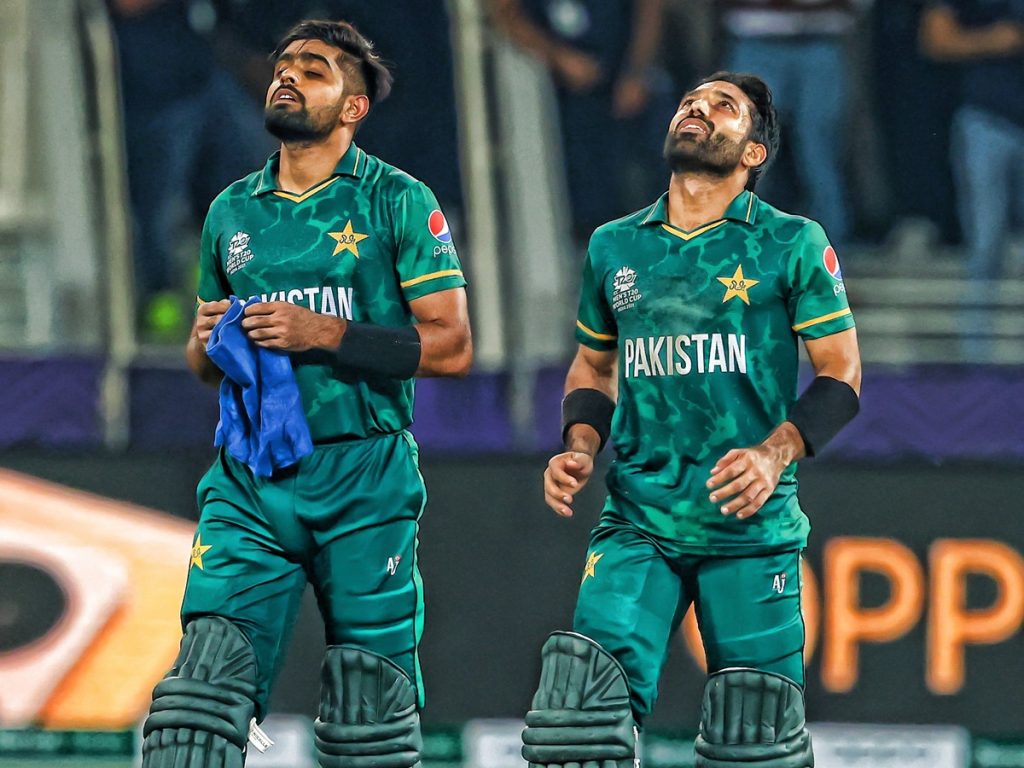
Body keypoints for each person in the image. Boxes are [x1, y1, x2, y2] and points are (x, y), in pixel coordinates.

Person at [139, 19, 472, 768]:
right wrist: (203, 341)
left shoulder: (397, 200)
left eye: (314, 69)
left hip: (364, 475)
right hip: (251, 478)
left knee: (368, 719)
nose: (287, 75)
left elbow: (452, 346)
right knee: (197, 704)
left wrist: (320, 333)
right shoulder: (232, 211)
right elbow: (206, 363)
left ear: (354, 107)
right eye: (284, 64)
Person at [522, 72, 861, 768]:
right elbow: (593, 366)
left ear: (753, 153)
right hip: (639, 516)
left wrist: (774, 453)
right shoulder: (615, 245)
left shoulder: (791, 242)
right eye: (689, 102)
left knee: (755, 744)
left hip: (750, 525)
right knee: (575, 724)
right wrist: (580, 443)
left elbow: (842, 374)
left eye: (722, 106)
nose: (697, 108)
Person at [490, 0, 675, 237]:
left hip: (624, 75)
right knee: (589, 194)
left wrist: (637, 72)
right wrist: (558, 57)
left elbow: (650, 8)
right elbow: (506, 15)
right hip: (567, 96)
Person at [920, 0, 1024, 356]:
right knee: (986, 241)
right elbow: (935, 39)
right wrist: (995, 39)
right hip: (987, 119)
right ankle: (976, 354)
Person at [722, 0, 859, 246]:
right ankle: (736, 246)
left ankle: (828, 251)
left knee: (820, 152)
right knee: (745, 149)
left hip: (823, 39)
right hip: (754, 37)